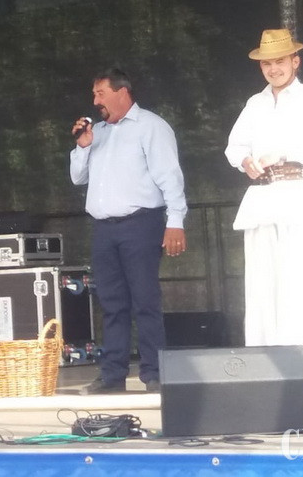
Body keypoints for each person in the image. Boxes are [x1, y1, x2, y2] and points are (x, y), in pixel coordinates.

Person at [225, 29, 303, 396]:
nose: (273, 69)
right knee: (267, 283)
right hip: (266, 197)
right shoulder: (255, 104)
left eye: (280, 61)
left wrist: (284, 153)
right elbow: (234, 146)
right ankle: (278, 370)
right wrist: (245, 161)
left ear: (295, 61)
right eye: (267, 63)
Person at [69, 68, 187, 394]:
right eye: (94, 95)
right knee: (111, 303)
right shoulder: (98, 132)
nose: (96, 101)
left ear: (122, 93)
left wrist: (176, 221)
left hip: (140, 223)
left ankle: (155, 374)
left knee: (145, 300)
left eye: (101, 94)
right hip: (104, 228)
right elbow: (78, 178)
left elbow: (169, 176)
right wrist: (82, 146)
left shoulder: (151, 126)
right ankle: (112, 376)